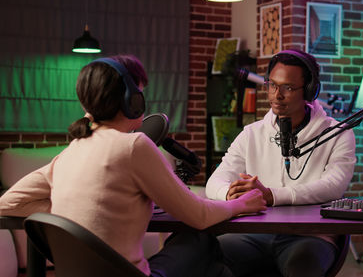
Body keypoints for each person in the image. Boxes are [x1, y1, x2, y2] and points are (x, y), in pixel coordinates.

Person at [0, 54, 267, 277]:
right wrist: (241, 204)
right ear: (131, 99)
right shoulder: (133, 145)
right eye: (140, 91)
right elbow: (198, 216)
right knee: (201, 241)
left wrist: (83, 214)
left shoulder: (71, 152)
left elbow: (7, 202)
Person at [205, 49, 356, 277]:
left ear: (309, 91)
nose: (276, 95)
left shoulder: (338, 133)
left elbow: (334, 185)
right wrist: (230, 193)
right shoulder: (252, 134)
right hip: (254, 233)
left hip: (310, 236)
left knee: (302, 267)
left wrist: (271, 196)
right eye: (272, 85)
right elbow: (214, 181)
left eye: (287, 87)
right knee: (205, 257)